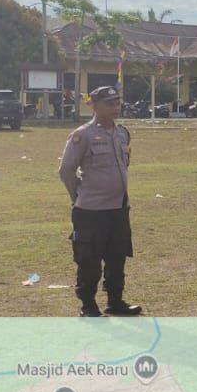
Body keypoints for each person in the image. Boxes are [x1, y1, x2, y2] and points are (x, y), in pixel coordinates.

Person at [57, 85, 141, 317]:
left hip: (118, 208)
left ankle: (115, 301)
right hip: (91, 211)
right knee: (89, 261)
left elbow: (124, 164)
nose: (115, 108)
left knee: (117, 257)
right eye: (109, 104)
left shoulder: (122, 133)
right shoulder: (82, 135)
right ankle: (88, 306)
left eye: (117, 103)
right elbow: (66, 170)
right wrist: (78, 196)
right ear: (94, 106)